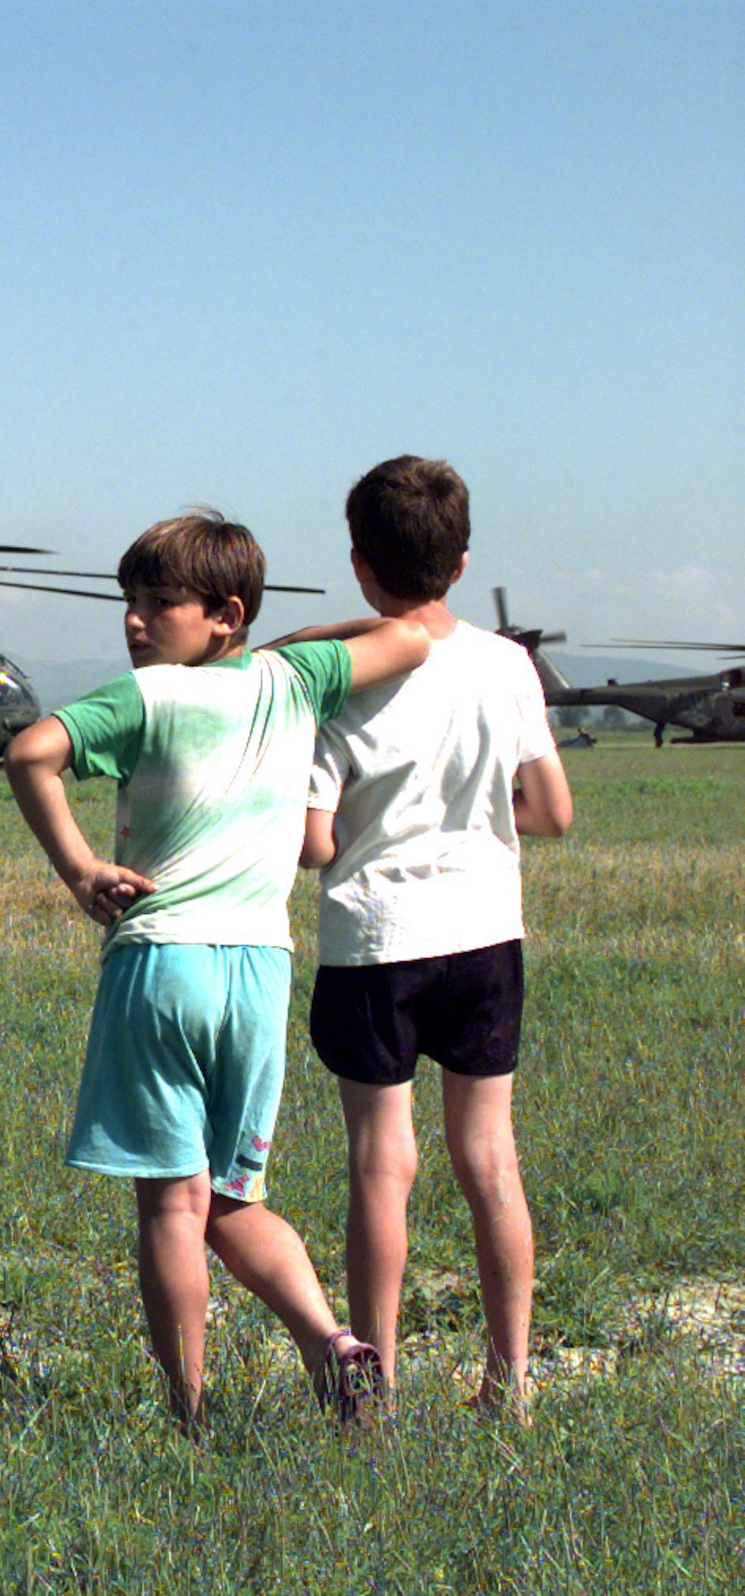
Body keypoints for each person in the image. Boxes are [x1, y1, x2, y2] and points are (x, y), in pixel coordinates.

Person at [5, 509, 430, 1430]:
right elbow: (407, 635)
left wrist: (82, 870)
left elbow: (30, 752)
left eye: (159, 604)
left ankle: (187, 1414)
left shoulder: (147, 696)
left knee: (171, 1205)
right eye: (130, 603)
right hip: (260, 969)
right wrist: (270, 645)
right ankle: (334, 1346)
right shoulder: (292, 677)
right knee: (233, 1199)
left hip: (162, 965)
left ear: (221, 613)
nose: (134, 623)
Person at [292, 457, 572, 1420]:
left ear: (361, 564)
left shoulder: (340, 680)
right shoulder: (506, 663)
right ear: (460, 562)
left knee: (382, 1162)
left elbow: (315, 842)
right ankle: (512, 1379)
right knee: (490, 1156)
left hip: (374, 940)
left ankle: (378, 1387)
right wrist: (480, 826)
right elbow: (554, 810)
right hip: (487, 934)